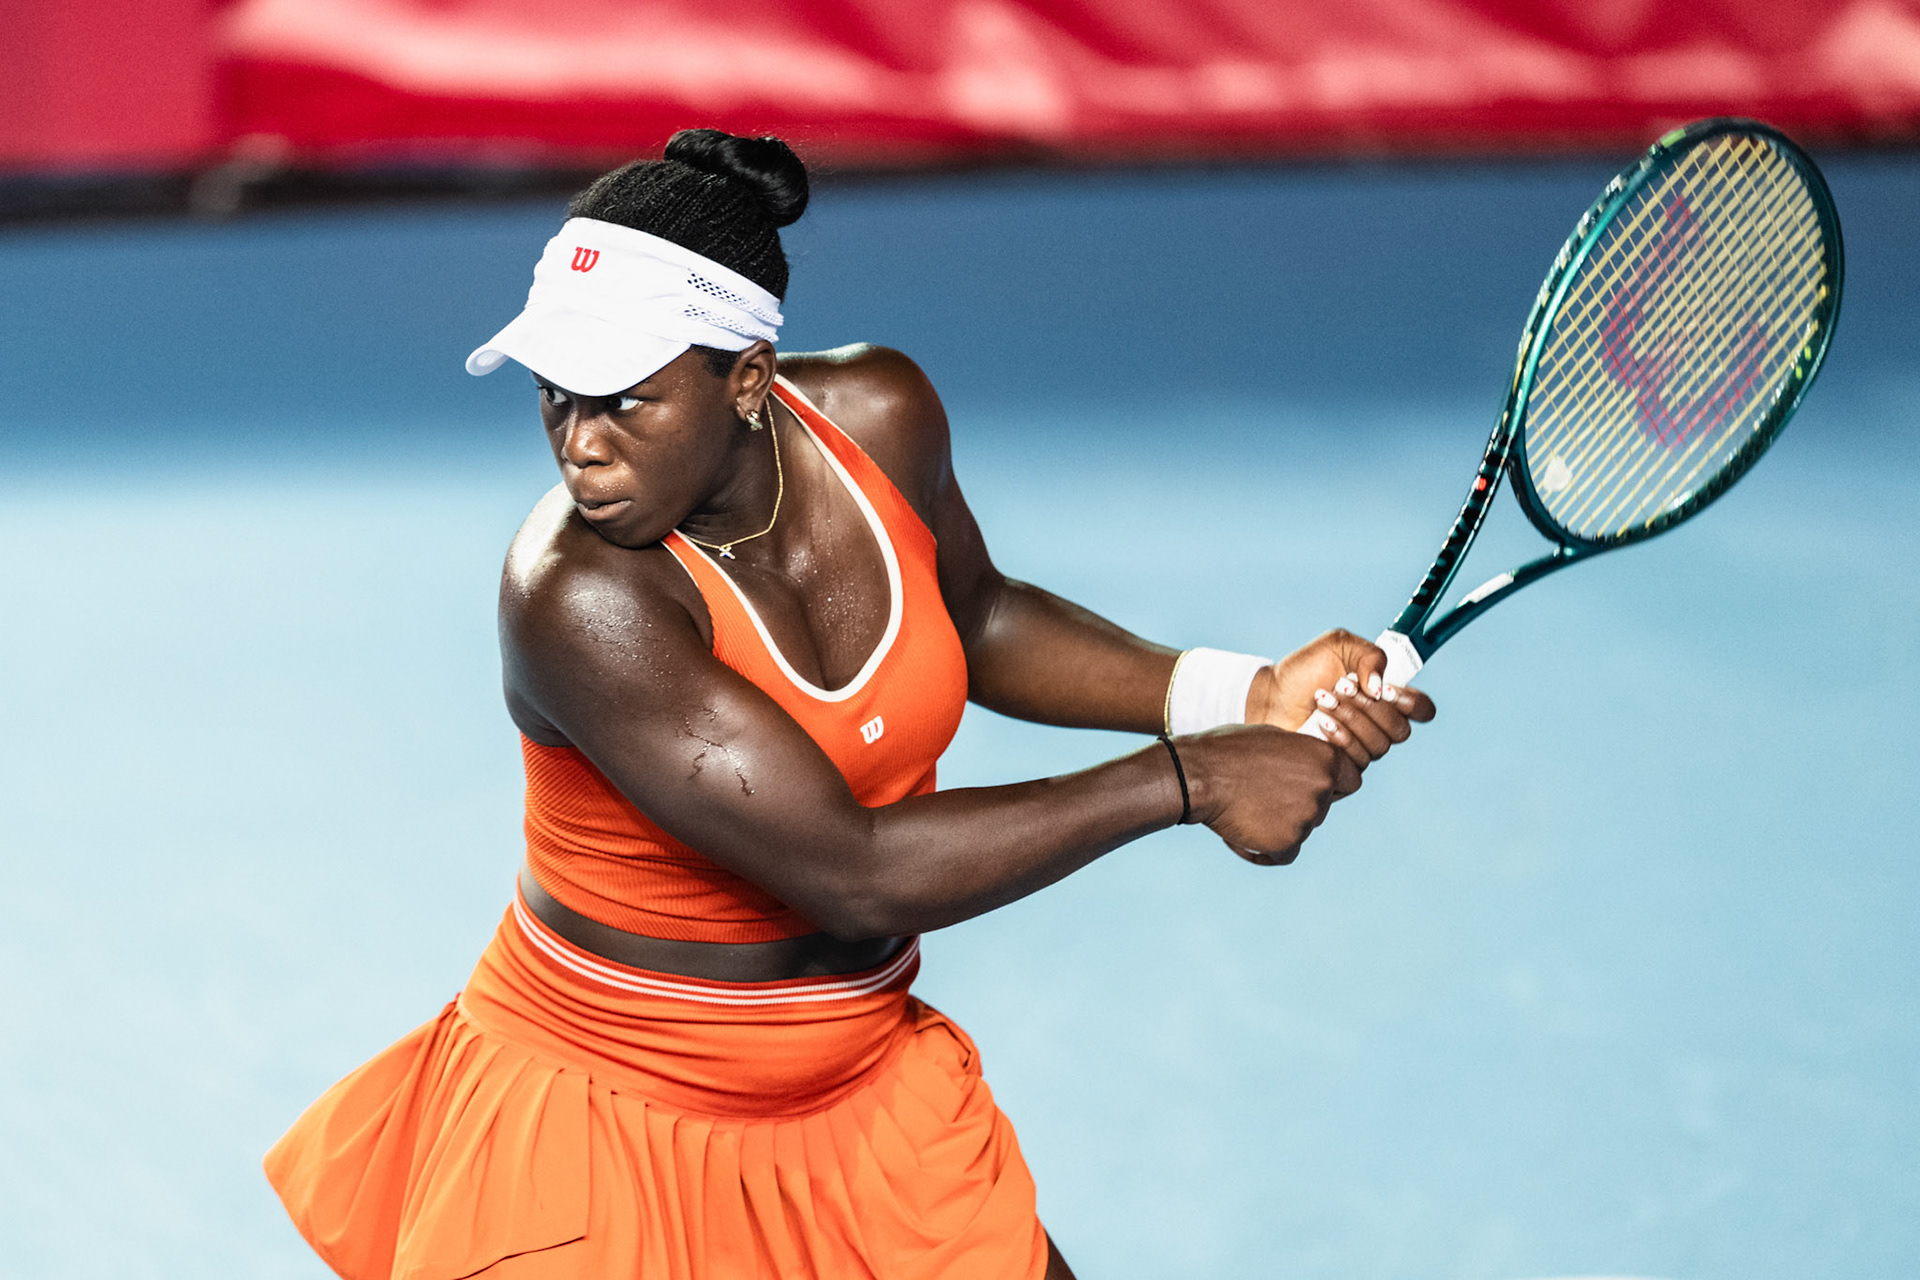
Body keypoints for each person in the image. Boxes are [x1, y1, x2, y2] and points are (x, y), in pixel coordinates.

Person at [264, 128, 1434, 1280]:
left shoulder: (884, 413)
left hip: (861, 1092)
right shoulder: (576, 592)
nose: (581, 445)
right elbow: (853, 868)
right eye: (554, 396)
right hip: (602, 1119)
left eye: (627, 401)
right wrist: (1192, 777)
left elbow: (971, 613)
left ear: (751, 380)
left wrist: (1238, 692)